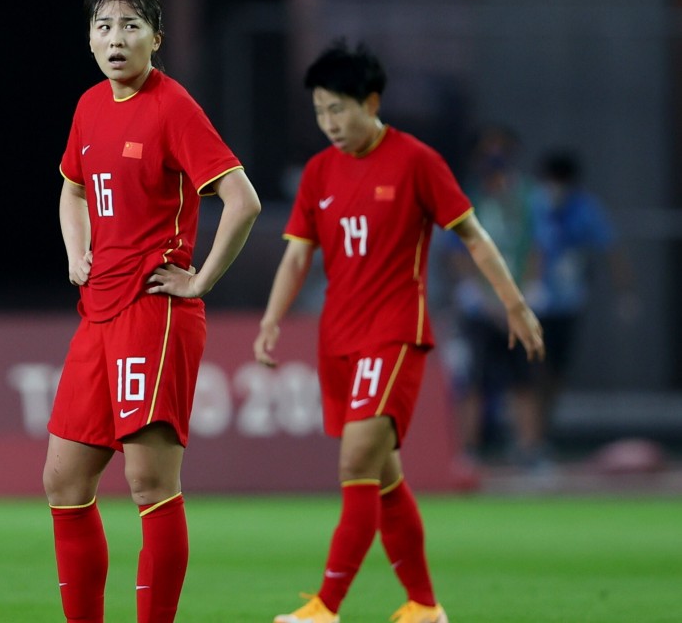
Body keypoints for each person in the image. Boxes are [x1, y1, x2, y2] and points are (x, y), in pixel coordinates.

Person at [253, 39, 543, 623]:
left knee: (357, 460)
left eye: (340, 108)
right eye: (320, 112)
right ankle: (425, 606)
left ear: (373, 101)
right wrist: (271, 319)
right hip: (338, 338)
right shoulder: (318, 173)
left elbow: (473, 236)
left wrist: (514, 304)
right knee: (384, 478)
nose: (330, 123)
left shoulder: (415, 161)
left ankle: (324, 607)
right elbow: (296, 257)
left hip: (395, 334)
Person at [43, 0, 261, 623]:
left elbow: (242, 200)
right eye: (105, 27)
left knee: (150, 485)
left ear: (156, 39)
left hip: (153, 313)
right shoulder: (87, 107)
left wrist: (200, 280)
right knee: (64, 482)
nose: (116, 39)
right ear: (89, 39)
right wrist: (75, 253)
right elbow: (72, 188)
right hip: (98, 313)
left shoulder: (172, 106)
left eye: (131, 26)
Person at [517, 149, 636, 466]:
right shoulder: (532, 204)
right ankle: (529, 440)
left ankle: (540, 435)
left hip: (566, 305)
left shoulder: (584, 208)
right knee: (532, 372)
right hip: (534, 305)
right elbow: (525, 247)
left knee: (555, 375)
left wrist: (625, 293)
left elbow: (611, 249)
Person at [440, 125, 537, 467]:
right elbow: (457, 253)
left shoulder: (527, 199)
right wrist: (482, 298)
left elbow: (536, 249)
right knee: (473, 381)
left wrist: (519, 299)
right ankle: (468, 451)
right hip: (479, 307)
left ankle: (528, 450)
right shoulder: (468, 197)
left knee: (524, 380)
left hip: (517, 304)